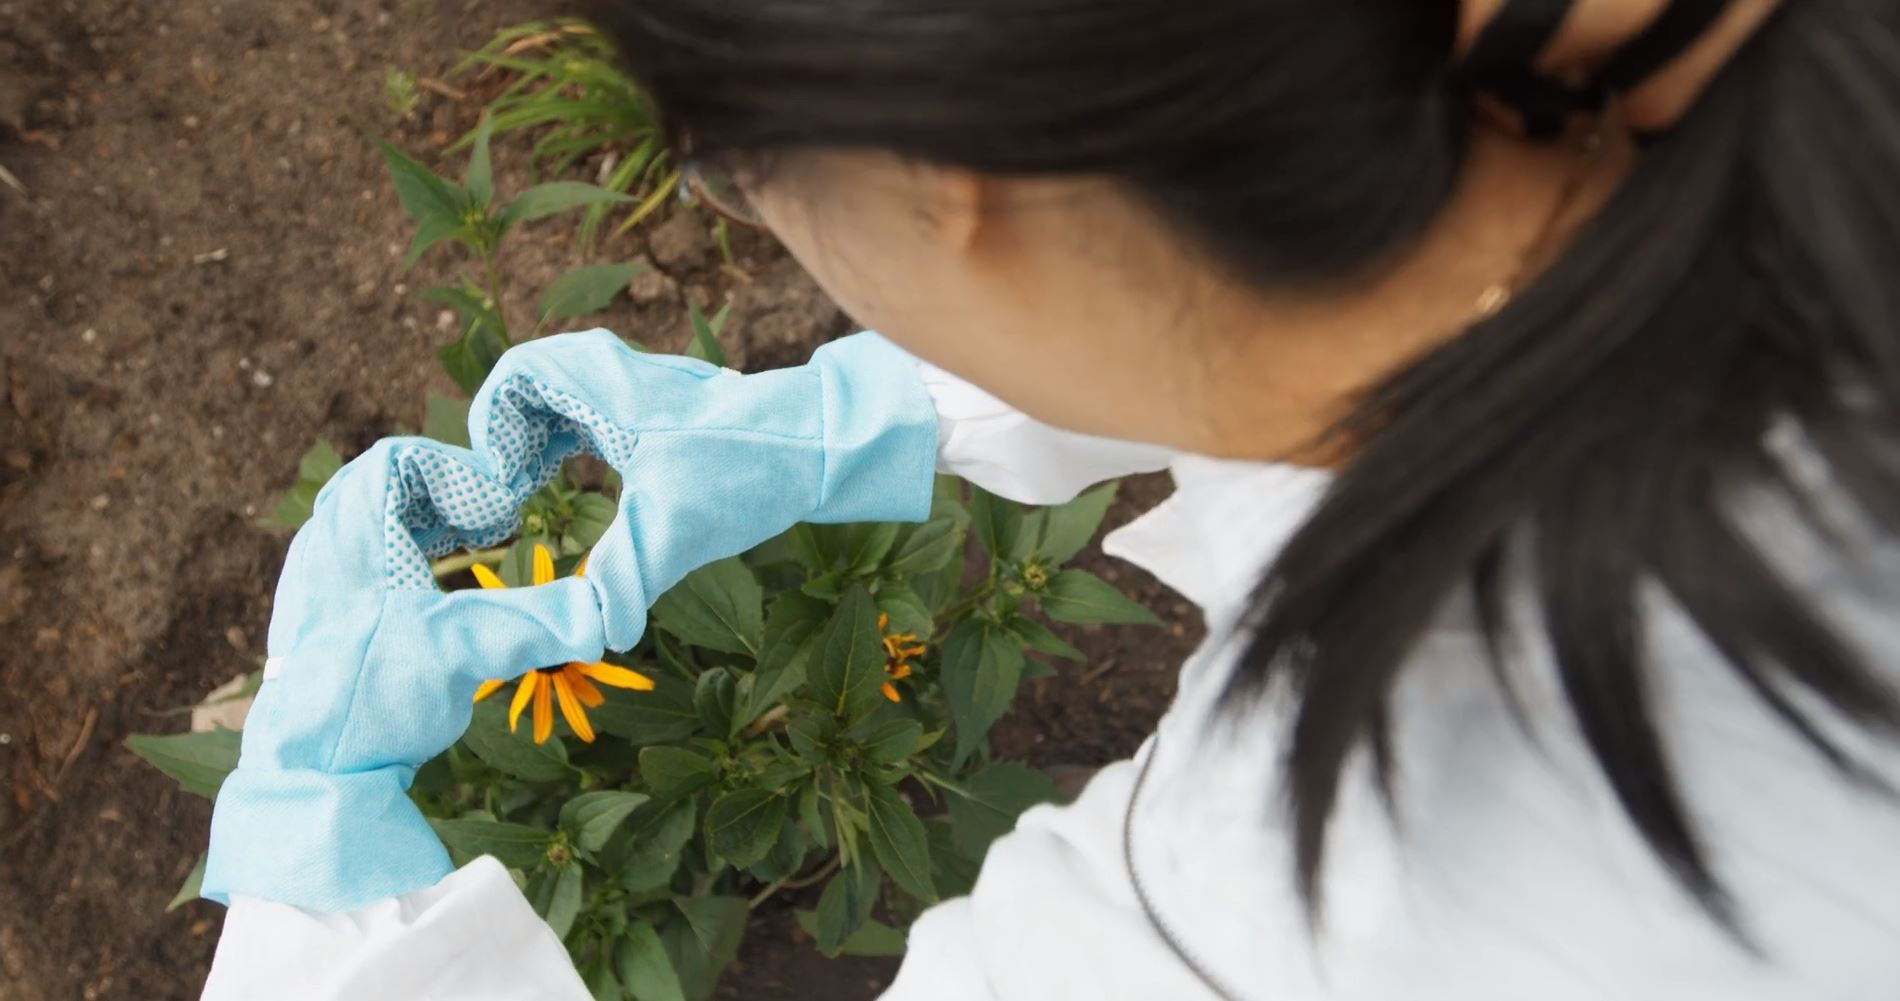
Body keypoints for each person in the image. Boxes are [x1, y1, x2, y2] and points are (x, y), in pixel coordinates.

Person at [198, 0, 1900, 997]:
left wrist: (318, 861)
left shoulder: (1285, 907)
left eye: (725, 167)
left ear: (950, 181)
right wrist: (866, 417)